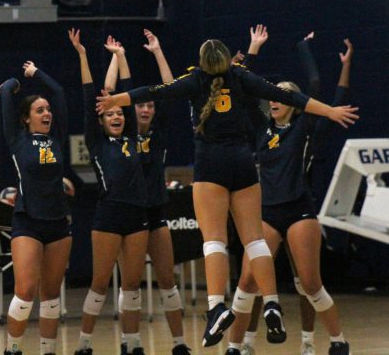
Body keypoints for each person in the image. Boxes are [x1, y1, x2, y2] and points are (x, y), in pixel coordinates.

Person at [96, 38, 359, 348]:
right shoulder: (241, 77)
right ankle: (272, 303)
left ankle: (217, 306)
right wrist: (330, 110)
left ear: (204, 63)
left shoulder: (196, 79)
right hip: (243, 163)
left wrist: (117, 100)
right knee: (256, 241)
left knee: (214, 241)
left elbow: (155, 92)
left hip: (211, 165)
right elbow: (287, 95)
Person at [226, 29, 353, 355]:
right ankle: (238, 345)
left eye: (283, 95)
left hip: (299, 210)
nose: (275, 99)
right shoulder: (260, 127)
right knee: (248, 282)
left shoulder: (304, 127)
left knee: (310, 284)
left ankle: (337, 341)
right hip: (265, 212)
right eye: (273, 95)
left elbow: (316, 89)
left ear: (292, 104)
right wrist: (251, 52)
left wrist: (305, 47)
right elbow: (244, 89)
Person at [104, 30, 191, 355]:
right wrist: (119, 57)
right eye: (139, 105)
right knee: (131, 282)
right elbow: (119, 93)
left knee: (167, 279)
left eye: (149, 106)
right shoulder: (123, 131)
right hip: (130, 214)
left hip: (156, 210)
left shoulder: (159, 131)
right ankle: (132, 343)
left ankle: (180, 343)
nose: (145, 109)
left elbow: (172, 89)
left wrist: (157, 51)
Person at [70, 28, 149, 355]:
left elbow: (129, 92)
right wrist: (83, 55)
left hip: (137, 215)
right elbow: (91, 97)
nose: (117, 116)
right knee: (100, 284)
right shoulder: (97, 142)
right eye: (111, 114)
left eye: (120, 113)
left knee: (132, 285)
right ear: (102, 122)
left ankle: (132, 343)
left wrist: (123, 56)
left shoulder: (132, 137)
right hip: (107, 216)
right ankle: (84, 343)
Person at [0, 60, 72, 355]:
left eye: (48, 110)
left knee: (51, 295)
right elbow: (5, 92)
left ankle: (48, 350)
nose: (47, 113)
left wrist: (37, 74)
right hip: (28, 220)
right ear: (26, 119)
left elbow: (59, 93)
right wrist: (14, 85)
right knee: (26, 290)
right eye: (39, 110)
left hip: (58, 222)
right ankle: (13, 349)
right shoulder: (18, 140)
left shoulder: (57, 139)